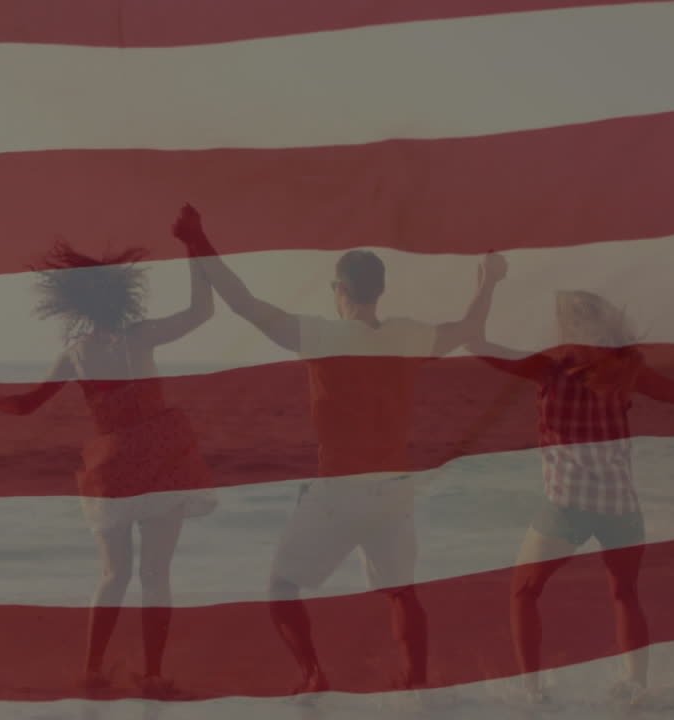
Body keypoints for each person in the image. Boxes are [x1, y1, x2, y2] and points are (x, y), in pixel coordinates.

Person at [173, 205, 507, 695]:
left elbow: (242, 301)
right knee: (401, 593)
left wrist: (198, 241)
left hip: (340, 491)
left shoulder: (322, 335)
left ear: (339, 290)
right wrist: (490, 280)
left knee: (282, 588)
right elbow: (469, 327)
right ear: (379, 290)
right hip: (395, 490)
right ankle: (414, 684)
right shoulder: (408, 335)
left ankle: (313, 674)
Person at [467, 289, 674, 705]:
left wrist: (487, 285)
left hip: (567, 507)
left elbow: (477, 345)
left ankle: (531, 693)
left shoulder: (549, 370)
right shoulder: (627, 372)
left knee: (523, 592)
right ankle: (635, 686)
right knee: (624, 594)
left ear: (567, 329)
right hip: (622, 509)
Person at [0, 206, 217, 693]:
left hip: (111, 467)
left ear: (80, 307)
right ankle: (153, 675)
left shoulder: (79, 351)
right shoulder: (141, 335)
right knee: (155, 576)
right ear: (121, 298)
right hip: (162, 457)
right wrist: (194, 244)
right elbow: (203, 311)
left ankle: (91, 670)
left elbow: (28, 405)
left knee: (113, 575)